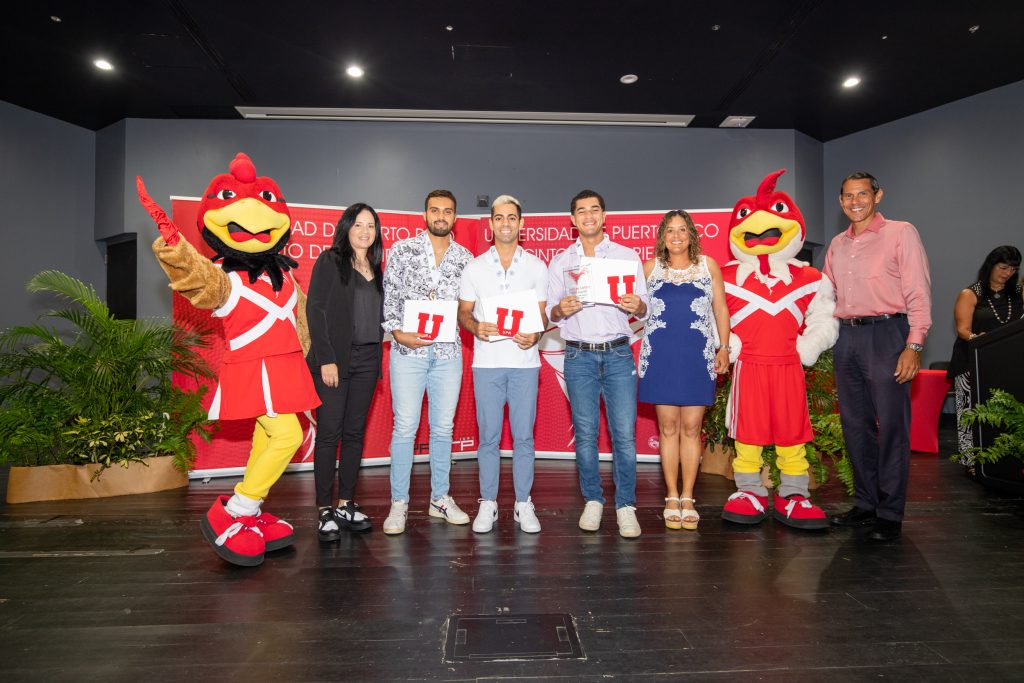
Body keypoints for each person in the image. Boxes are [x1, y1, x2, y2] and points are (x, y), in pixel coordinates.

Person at [137, 153, 320, 566]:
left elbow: (302, 320)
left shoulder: (286, 274)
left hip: (286, 366)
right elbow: (196, 277)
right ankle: (237, 509)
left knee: (266, 438)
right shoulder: (224, 279)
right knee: (288, 438)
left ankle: (251, 514)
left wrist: (317, 358)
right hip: (254, 369)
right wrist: (173, 243)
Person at [718, 169, 838, 531]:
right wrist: (730, 345)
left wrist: (808, 346)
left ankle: (794, 493)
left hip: (789, 366)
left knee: (792, 430)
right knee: (748, 433)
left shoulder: (811, 279)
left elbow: (825, 318)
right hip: (749, 367)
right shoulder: (724, 278)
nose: (760, 232)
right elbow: (708, 320)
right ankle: (748, 490)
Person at [824, 171, 932, 542]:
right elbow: (826, 294)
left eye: (863, 194)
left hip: (888, 335)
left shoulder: (901, 233)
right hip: (846, 338)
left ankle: (890, 512)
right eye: (848, 196)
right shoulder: (837, 244)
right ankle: (866, 504)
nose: (855, 201)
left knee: (892, 427)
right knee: (856, 427)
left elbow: (918, 292)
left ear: (878, 195)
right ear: (840, 201)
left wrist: (913, 345)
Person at [546, 190, 649, 538]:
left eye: (594, 210)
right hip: (578, 355)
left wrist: (638, 304)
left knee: (624, 435)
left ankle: (626, 506)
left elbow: (645, 307)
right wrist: (562, 309)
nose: (588, 216)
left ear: (604, 216)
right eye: (580, 211)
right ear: (572, 220)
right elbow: (550, 312)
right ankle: (593, 499)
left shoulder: (626, 256)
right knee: (586, 434)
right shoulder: (560, 261)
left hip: (619, 354)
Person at [380, 189, 473, 535]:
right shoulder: (403, 250)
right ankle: (399, 503)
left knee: (443, 429)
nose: (441, 216)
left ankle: (440, 498)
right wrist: (396, 333)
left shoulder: (465, 258)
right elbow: (389, 299)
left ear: (455, 218)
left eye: (447, 211)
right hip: (408, 353)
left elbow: (469, 308)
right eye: (435, 210)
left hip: (448, 355)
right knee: (404, 427)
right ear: (424, 215)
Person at [458, 195, 548, 533]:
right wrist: (476, 326)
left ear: (521, 223)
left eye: (512, 217)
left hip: (525, 364)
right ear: (491, 224)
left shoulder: (537, 266)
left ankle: (523, 503)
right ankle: (489, 503)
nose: (506, 223)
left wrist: (535, 335)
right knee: (488, 438)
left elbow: (540, 315)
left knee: (524, 438)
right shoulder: (474, 267)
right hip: (488, 364)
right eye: (499, 218)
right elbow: (463, 313)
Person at [638, 210, 730, 531]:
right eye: (669, 231)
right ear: (662, 237)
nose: (676, 236)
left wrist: (724, 347)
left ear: (691, 234)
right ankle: (671, 496)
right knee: (668, 427)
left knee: (692, 427)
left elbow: (720, 307)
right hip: (661, 356)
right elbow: (635, 310)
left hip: (697, 355)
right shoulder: (649, 269)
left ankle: (688, 496)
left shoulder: (708, 267)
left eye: (682, 230)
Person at [306, 203, 384, 541]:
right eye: (359, 225)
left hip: (368, 360)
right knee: (329, 434)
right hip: (335, 360)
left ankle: (346, 503)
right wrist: (326, 358)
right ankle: (325, 510)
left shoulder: (377, 268)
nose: (365, 231)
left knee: (354, 435)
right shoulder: (330, 260)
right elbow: (315, 309)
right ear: (346, 227)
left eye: (371, 225)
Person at [947, 245, 1023, 465]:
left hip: (1008, 363)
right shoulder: (970, 294)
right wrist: (977, 339)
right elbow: (963, 330)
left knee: (1004, 414)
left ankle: (1003, 462)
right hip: (972, 362)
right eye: (1003, 267)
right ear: (991, 265)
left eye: (1013, 269)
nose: (1007, 273)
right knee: (971, 414)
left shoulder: (1018, 293)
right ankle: (971, 462)